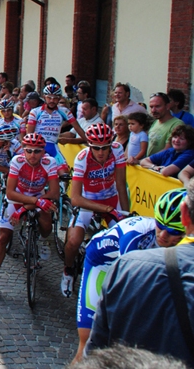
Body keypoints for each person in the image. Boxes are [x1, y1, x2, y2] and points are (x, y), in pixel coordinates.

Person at [72, 189, 186, 363]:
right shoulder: (135, 236)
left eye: (173, 232)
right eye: (160, 226)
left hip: (129, 267)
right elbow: (129, 283)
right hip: (101, 264)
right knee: (87, 341)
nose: (163, 235)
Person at [0, 133, 59, 298]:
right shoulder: (17, 161)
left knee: (47, 224)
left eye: (37, 151)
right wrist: (33, 202)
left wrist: (34, 203)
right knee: (3, 238)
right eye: (28, 150)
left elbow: (54, 192)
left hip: (39, 199)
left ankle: (44, 241)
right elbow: (10, 192)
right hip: (17, 200)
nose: (32, 155)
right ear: (23, 150)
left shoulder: (49, 162)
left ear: (43, 152)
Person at [62, 123, 130, 297]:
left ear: (110, 145)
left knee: (125, 240)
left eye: (105, 148)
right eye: (96, 148)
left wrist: (125, 215)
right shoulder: (82, 158)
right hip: (88, 201)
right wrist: (105, 208)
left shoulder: (117, 150)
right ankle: (68, 271)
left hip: (112, 197)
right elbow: (76, 198)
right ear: (90, 146)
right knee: (73, 242)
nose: (101, 152)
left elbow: (121, 185)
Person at [147, 92, 183, 156]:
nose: (153, 110)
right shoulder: (155, 122)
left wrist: (148, 160)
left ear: (167, 106)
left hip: (163, 165)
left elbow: (168, 149)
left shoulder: (177, 124)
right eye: (151, 107)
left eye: (157, 106)